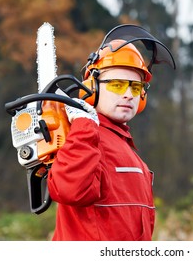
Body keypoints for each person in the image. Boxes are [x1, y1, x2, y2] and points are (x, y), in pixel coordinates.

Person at [47, 28, 174, 241]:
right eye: (117, 85)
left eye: (135, 87)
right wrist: (84, 126)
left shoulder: (124, 146)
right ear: (91, 88)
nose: (127, 94)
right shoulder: (84, 135)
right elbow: (71, 190)